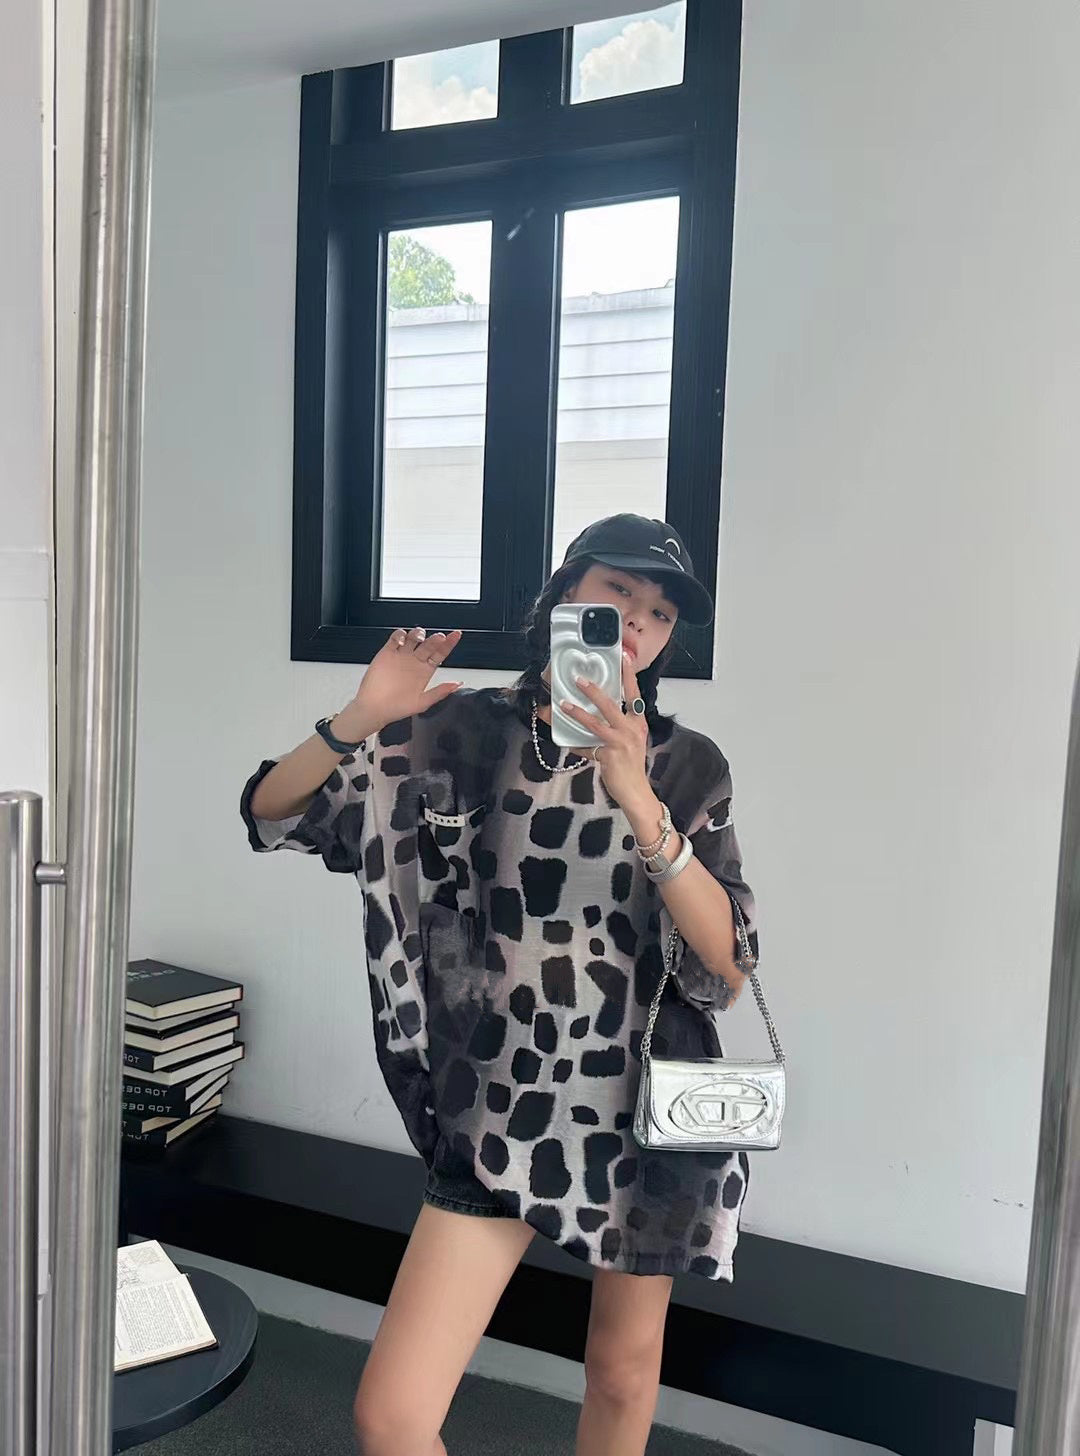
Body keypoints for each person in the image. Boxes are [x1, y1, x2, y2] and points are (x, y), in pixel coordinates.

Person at [241, 513, 760, 1456]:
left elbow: (727, 960)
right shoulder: (456, 732)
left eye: (658, 612)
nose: (636, 623)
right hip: (497, 1101)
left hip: (649, 1098)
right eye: (617, 592)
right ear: (564, 596)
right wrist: (360, 716)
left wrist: (639, 797)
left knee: (621, 1373)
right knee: (393, 1415)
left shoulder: (688, 765)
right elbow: (276, 813)